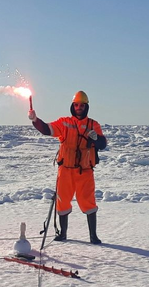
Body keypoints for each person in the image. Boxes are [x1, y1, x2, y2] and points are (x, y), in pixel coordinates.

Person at [29, 90, 108, 243]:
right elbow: (47, 129)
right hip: (65, 171)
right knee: (62, 201)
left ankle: (93, 236)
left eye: (82, 105)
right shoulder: (65, 123)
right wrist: (35, 120)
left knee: (89, 202)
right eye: (76, 105)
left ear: (86, 107)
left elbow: (103, 144)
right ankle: (63, 234)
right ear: (73, 106)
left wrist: (96, 138)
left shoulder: (93, 125)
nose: (79, 107)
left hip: (85, 172)